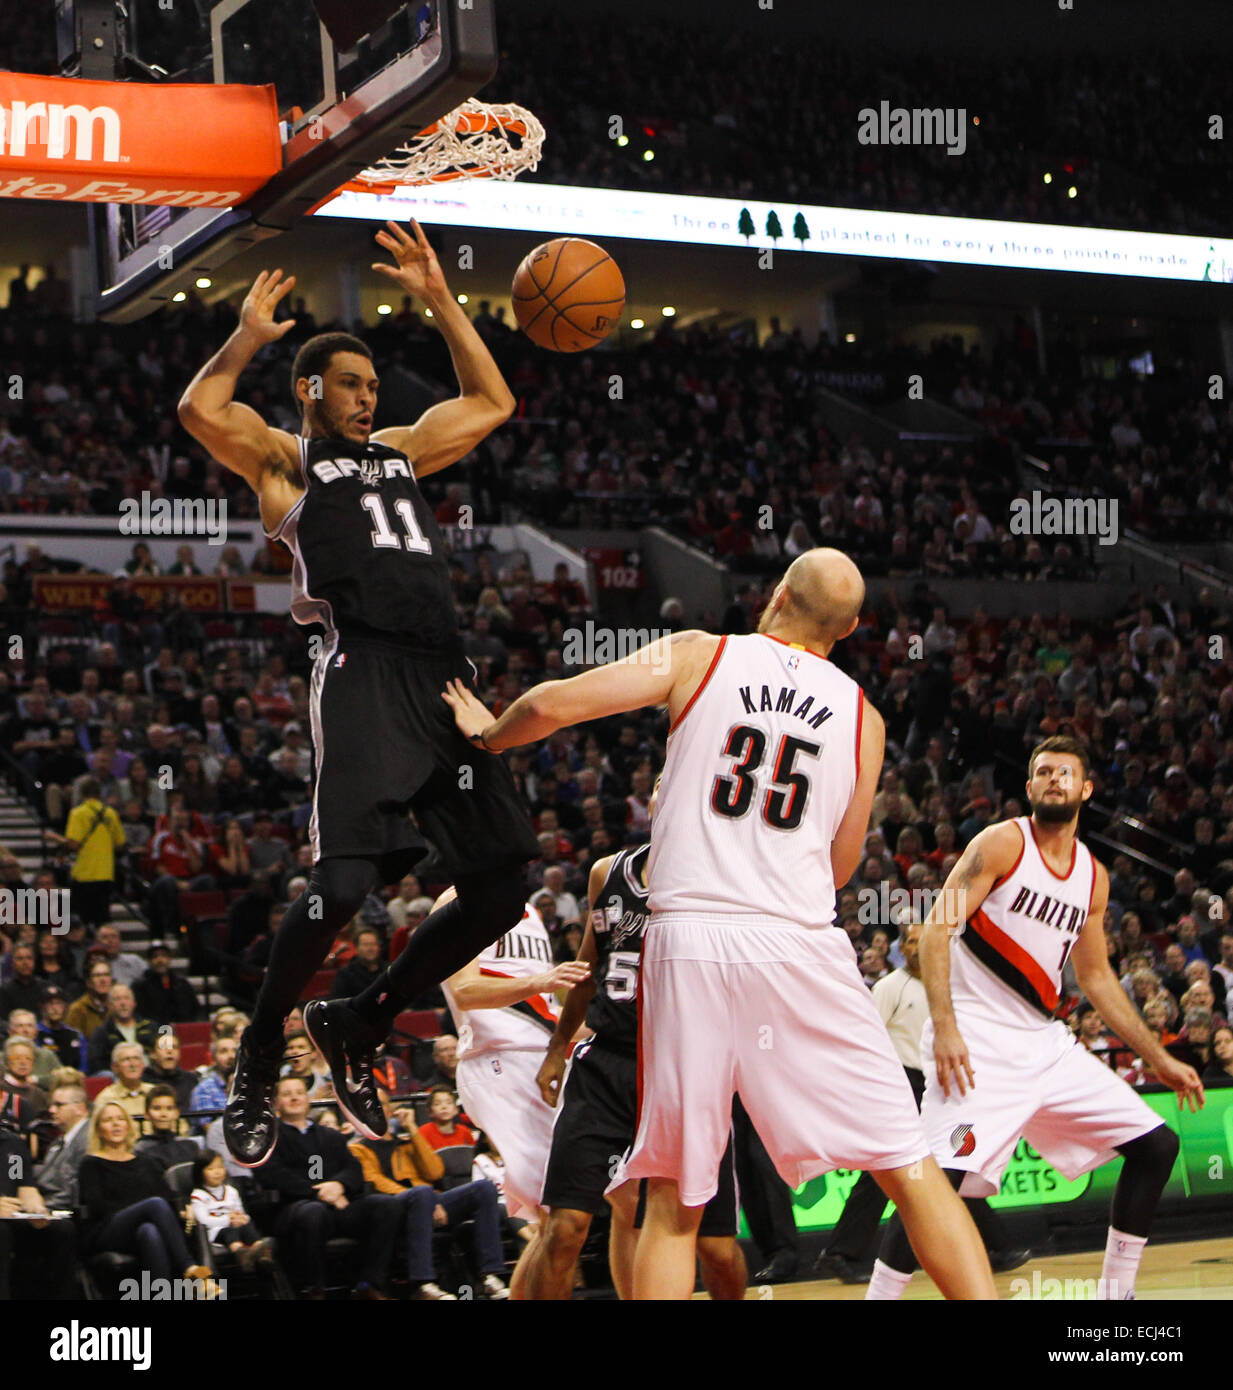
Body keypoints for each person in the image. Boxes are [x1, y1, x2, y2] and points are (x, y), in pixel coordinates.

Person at [443, 548, 997, 1301]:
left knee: (673, 1196)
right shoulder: (863, 716)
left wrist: (490, 733)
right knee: (908, 1165)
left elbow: (551, 705)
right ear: (851, 628)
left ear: (774, 595)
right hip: (800, 938)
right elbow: (839, 865)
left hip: (694, 940)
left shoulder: (700, 654)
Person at [178, 226, 539, 1168]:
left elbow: (493, 400)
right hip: (362, 672)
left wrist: (439, 295)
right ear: (310, 390)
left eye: (372, 385)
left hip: (442, 676)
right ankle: (262, 1048)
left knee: (507, 878)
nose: (366, 396)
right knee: (343, 885)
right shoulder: (284, 461)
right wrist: (249, 335)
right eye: (349, 383)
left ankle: (362, 1019)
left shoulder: (403, 452)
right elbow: (198, 407)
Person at [867, 737, 1204, 1302]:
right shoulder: (1002, 843)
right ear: (1028, 787)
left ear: (1086, 788)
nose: (1053, 780)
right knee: (936, 1185)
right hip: (974, 1044)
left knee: (1157, 1147)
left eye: (1065, 773)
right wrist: (945, 1027)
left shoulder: (1093, 878)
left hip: (1045, 1046)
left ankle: (1112, 1305)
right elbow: (936, 930)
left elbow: (1096, 980)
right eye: (1042, 772)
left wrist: (1160, 1058)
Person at [532, 805, 746, 1302]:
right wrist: (557, 1047)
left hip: (685, 1074)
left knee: (714, 1248)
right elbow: (587, 967)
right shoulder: (607, 873)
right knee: (564, 1228)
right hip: (605, 1067)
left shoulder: (725, 879)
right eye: (659, 792)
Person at [816, 920, 1025, 1284]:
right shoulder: (890, 987)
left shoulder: (948, 986)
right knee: (893, 1169)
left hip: (943, 1083)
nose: (917, 948)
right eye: (911, 942)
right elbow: (865, 1036)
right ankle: (839, 1252)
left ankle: (999, 1245)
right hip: (902, 1084)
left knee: (950, 1165)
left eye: (923, 941)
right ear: (901, 948)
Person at [440, 892, 591, 1298]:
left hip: (544, 1061)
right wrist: (541, 980)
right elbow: (465, 990)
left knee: (556, 1223)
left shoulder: (530, 911)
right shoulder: (457, 900)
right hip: (496, 1060)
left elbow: (541, 1007)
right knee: (564, 1215)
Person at [350, 1088, 510, 1300]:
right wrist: (424, 1198)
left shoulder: (407, 1141)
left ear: (390, 1110)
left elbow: (435, 1171)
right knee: (423, 1192)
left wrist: (413, 1130)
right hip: (393, 1208)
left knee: (484, 1189)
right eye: (370, 1104)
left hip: (430, 1201)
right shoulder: (357, 1148)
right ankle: (423, 1283)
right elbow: (376, 1182)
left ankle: (489, 1276)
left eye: (382, 1103)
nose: (377, 1108)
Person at [259, 1076, 399, 1299]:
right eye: (287, 1094)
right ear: (276, 1103)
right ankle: (315, 1290)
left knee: (386, 1205)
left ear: (308, 1098)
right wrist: (320, 1193)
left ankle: (370, 1284)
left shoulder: (330, 1135)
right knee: (314, 1211)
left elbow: (353, 1169)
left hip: (337, 1207)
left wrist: (339, 1185)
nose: (295, 1097)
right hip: (294, 1210)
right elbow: (274, 1176)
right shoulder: (269, 1138)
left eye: (299, 1092)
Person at [77, 1102, 217, 1293]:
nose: (116, 1124)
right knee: (154, 1206)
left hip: (140, 1228)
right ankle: (190, 1269)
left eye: (120, 1119)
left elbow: (167, 1195)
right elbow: (97, 1207)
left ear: (128, 1126)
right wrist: (141, 1210)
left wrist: (185, 1207)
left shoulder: (145, 1161)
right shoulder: (90, 1163)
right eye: (108, 1120)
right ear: (99, 1130)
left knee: (149, 1231)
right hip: (107, 1230)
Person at [44, 777, 125, 932]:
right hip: (106, 873)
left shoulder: (78, 813)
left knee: (81, 920)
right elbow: (120, 844)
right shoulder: (111, 813)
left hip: (84, 873)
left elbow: (74, 844)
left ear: (81, 793)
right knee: (102, 920)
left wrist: (54, 837)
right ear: (100, 793)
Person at [188, 1153, 276, 1272]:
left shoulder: (231, 1191)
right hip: (215, 1232)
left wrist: (243, 1218)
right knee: (230, 1231)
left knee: (247, 1227)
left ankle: (262, 1251)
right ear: (200, 1173)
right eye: (211, 1169)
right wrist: (228, 1220)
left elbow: (240, 1211)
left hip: (236, 1226)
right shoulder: (198, 1195)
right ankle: (241, 1254)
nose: (217, 1172)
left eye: (220, 1167)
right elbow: (203, 1221)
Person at [86, 984, 158, 1075]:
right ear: (109, 1005)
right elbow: (96, 1064)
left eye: (126, 998)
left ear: (134, 1003)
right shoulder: (101, 1033)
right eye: (117, 999)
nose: (123, 1003)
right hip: (118, 1078)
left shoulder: (150, 1027)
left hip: (151, 1075)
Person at [135, 1085, 202, 1170]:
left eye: (169, 1108)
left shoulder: (190, 1146)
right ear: (147, 1114)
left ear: (176, 1113)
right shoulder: (141, 1150)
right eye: (157, 1108)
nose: (163, 1114)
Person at [133, 941, 200, 1025]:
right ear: (149, 961)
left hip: (181, 1030)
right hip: (153, 1032)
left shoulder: (182, 984)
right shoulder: (140, 986)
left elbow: (194, 1009)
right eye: (155, 956)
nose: (160, 960)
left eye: (164, 956)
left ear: (169, 959)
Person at [94, 1042, 154, 1125]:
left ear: (143, 1064)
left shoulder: (154, 1092)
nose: (132, 1064)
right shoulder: (106, 1099)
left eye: (136, 1058)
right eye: (126, 1059)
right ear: (115, 1067)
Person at [189, 1034, 239, 1132]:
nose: (231, 1056)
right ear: (213, 1059)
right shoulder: (204, 1090)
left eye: (235, 1051)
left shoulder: (248, 1086)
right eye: (224, 1051)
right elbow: (211, 1131)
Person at [143, 1031, 198, 1111]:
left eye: (174, 1047)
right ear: (152, 1053)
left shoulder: (191, 1079)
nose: (169, 1051)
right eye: (163, 1047)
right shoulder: (142, 1080)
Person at [65, 956, 112, 1040]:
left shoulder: (116, 1006)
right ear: (88, 982)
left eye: (106, 974)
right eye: (97, 975)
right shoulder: (77, 1009)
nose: (103, 980)